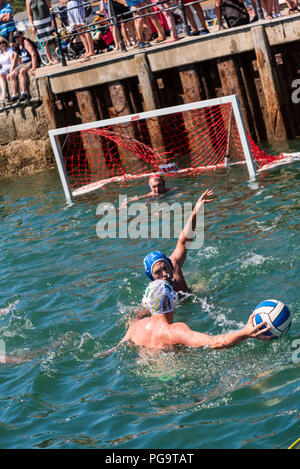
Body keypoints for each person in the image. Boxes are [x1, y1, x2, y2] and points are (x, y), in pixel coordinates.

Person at [116, 279, 271, 351]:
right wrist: (245, 333)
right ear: (174, 301)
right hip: (171, 376)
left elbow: (117, 349)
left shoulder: (135, 327)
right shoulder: (175, 331)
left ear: (147, 304)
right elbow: (215, 343)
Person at [143, 189, 214, 294]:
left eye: (166, 268)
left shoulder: (174, 265)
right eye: (158, 272)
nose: (165, 273)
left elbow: (183, 240)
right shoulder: (155, 295)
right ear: (152, 278)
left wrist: (195, 212)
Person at [7, 30, 40, 102]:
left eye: (17, 37)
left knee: (22, 71)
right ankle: (14, 95)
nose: (16, 38)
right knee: (12, 74)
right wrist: (10, 71)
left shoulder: (26, 42)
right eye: (15, 37)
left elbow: (33, 54)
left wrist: (34, 67)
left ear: (21, 35)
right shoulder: (17, 45)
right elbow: (14, 60)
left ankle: (24, 92)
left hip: (31, 61)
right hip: (24, 63)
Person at [26, 0, 58, 65]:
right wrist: (32, 25)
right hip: (37, 24)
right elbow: (30, 15)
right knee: (44, 42)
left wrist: (52, 20)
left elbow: (50, 8)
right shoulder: (28, 1)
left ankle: (56, 58)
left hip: (47, 20)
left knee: (51, 40)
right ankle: (49, 60)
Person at [0, 35, 14, 103]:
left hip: (11, 67)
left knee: (1, 74)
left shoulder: (10, 50)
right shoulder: (0, 53)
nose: (2, 44)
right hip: (4, 69)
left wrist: (10, 72)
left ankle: (3, 94)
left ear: (6, 43)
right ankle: (3, 93)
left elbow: (12, 62)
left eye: (3, 42)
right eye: (0, 43)